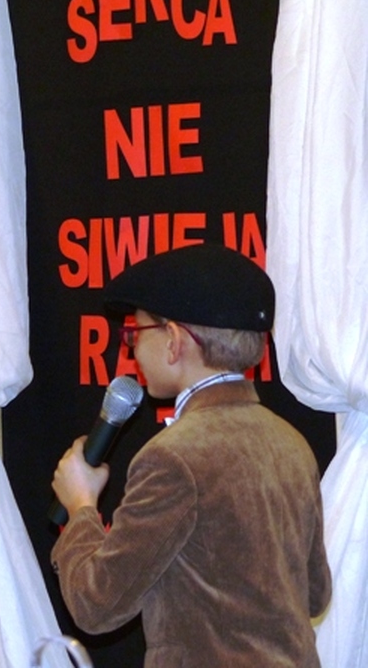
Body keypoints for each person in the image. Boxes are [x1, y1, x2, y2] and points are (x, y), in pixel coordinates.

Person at [50, 243, 331, 667]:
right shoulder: (291, 443)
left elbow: (98, 605)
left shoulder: (173, 458)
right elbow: (315, 593)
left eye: (134, 333)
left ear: (173, 341)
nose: (131, 349)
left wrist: (81, 508)